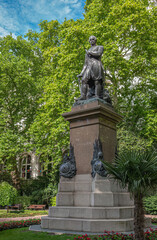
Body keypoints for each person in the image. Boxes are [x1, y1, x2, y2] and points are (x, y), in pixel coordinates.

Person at [77, 36, 104, 100]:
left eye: (93, 39)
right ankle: (83, 96)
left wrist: (90, 53)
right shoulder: (87, 51)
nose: (91, 40)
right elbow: (85, 64)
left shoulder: (100, 47)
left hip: (96, 64)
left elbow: (99, 54)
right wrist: (81, 73)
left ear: (95, 40)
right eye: (90, 40)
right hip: (88, 67)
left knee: (97, 81)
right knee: (84, 80)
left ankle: (97, 96)